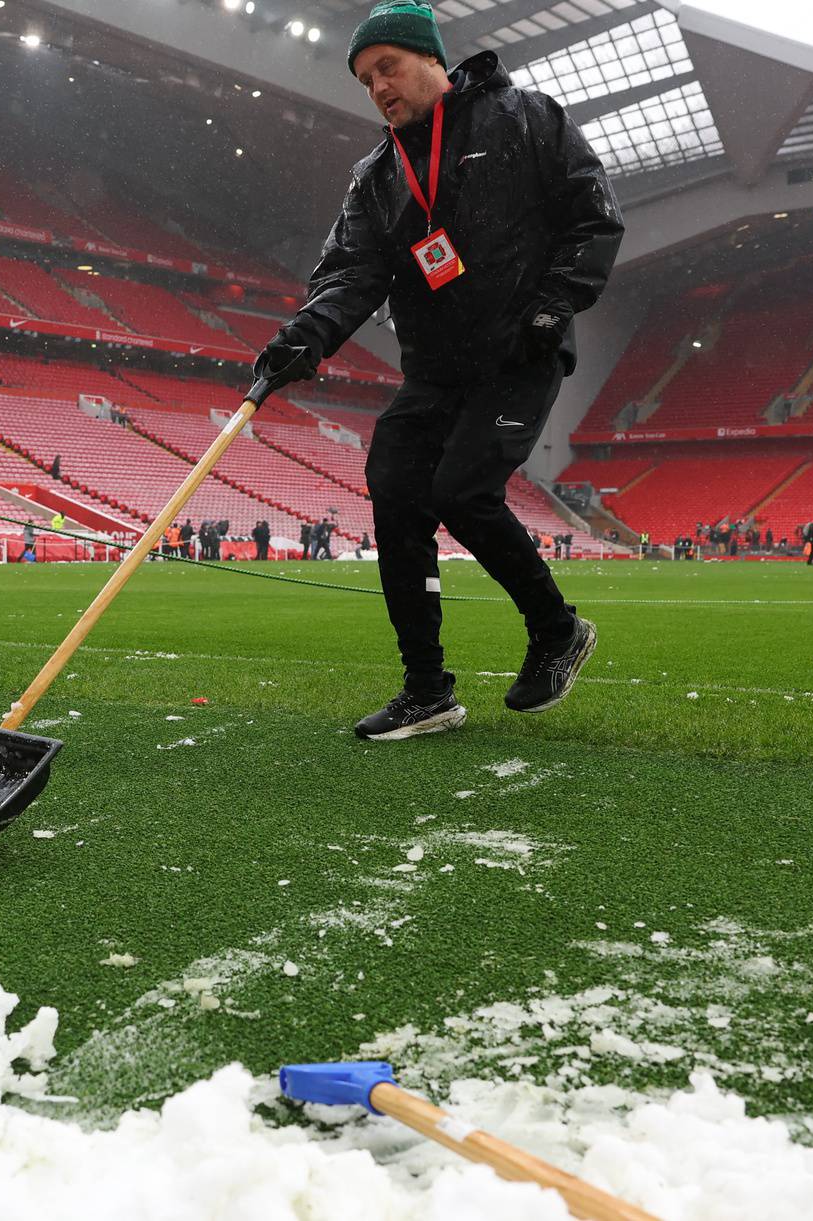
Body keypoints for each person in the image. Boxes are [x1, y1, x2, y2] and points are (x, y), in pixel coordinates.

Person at [256, 1, 621, 740]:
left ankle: (557, 631)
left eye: (387, 67)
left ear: (430, 59)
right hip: (435, 368)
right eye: (364, 80)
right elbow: (350, 272)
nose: (378, 88)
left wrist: (553, 306)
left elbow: (593, 214)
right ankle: (427, 690)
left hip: (519, 350)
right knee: (395, 487)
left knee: (461, 490)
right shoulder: (378, 176)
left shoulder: (522, 117)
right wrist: (306, 337)